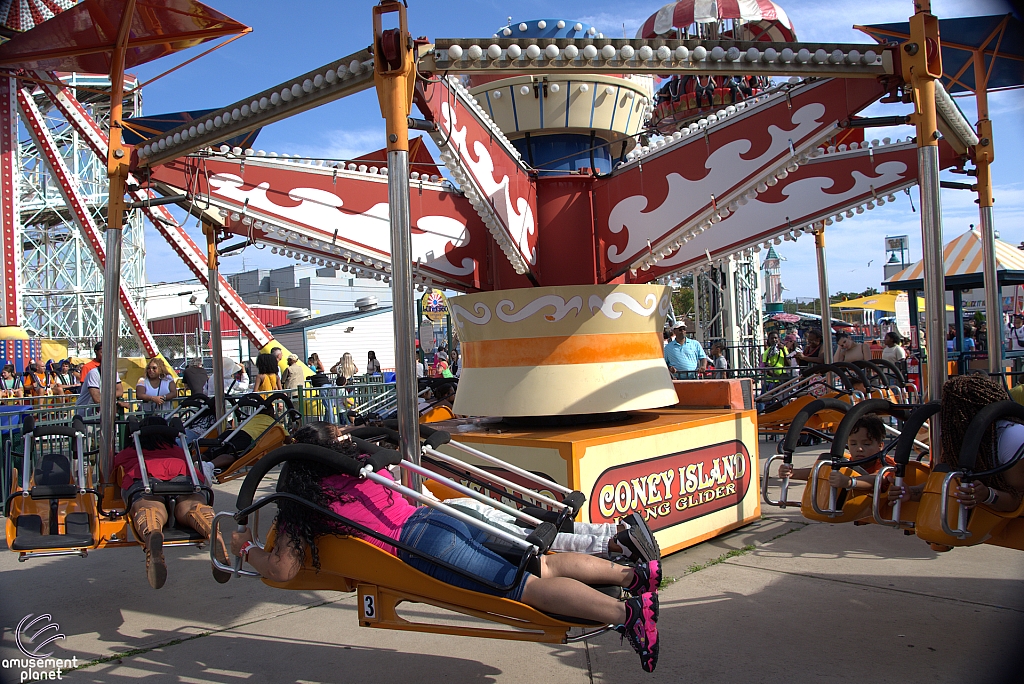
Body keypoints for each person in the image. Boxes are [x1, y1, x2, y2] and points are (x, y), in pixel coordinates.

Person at [230, 422, 662, 672]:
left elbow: (283, 569)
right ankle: (636, 575)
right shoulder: (359, 469)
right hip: (436, 517)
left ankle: (628, 614)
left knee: (523, 588)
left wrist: (245, 549)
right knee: (540, 563)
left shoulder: (303, 502)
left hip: (421, 545)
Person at [888, 376, 1024, 525]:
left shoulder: (1012, 436)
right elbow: (951, 481)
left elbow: (1018, 499)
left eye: (951, 411)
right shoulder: (957, 436)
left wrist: (987, 495)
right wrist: (912, 493)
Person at [111, 416, 228, 588]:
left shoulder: (130, 452)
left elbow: (112, 472)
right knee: (191, 506)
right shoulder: (178, 451)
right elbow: (199, 474)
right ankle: (212, 532)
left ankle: (152, 532)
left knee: (151, 507)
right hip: (182, 474)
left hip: (144, 476)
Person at [779, 414, 888, 493]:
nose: (859, 449)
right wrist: (793, 473)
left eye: (867, 444)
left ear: (880, 446)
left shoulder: (885, 463)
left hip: (880, 506)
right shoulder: (851, 461)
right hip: (854, 508)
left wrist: (849, 482)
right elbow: (822, 472)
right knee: (829, 464)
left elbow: (878, 479)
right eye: (853, 444)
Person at [76, 353, 124, 417]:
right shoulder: (93, 373)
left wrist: (107, 397)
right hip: (85, 414)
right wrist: (116, 402)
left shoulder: (114, 372)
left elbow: (120, 391)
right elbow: (97, 399)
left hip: (101, 413)